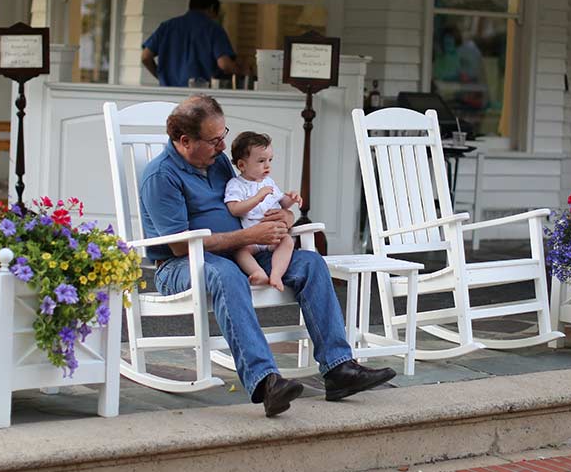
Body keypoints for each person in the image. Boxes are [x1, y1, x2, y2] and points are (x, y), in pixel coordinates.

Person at [138, 94, 395, 417]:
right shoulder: (161, 177)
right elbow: (178, 246)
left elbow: (253, 200)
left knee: (311, 263)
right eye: (214, 140)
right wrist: (248, 236)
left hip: (239, 252)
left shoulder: (215, 162)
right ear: (185, 141)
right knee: (225, 273)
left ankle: (338, 368)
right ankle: (265, 382)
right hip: (181, 265)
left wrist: (284, 219)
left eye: (223, 136)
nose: (222, 148)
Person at [224, 132, 303, 291]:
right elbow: (234, 209)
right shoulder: (236, 184)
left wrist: (292, 199)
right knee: (239, 251)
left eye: (269, 160)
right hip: (251, 238)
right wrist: (257, 198)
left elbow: (282, 203)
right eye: (261, 161)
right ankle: (258, 272)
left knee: (287, 241)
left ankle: (276, 274)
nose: (267, 165)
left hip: (273, 236)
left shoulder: (269, 182)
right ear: (242, 165)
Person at [141, 0, 238, 87]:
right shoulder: (213, 29)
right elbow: (224, 64)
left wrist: (161, 76)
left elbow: (145, 57)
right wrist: (241, 70)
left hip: (168, 91)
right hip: (199, 94)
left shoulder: (167, 27)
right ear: (212, 8)